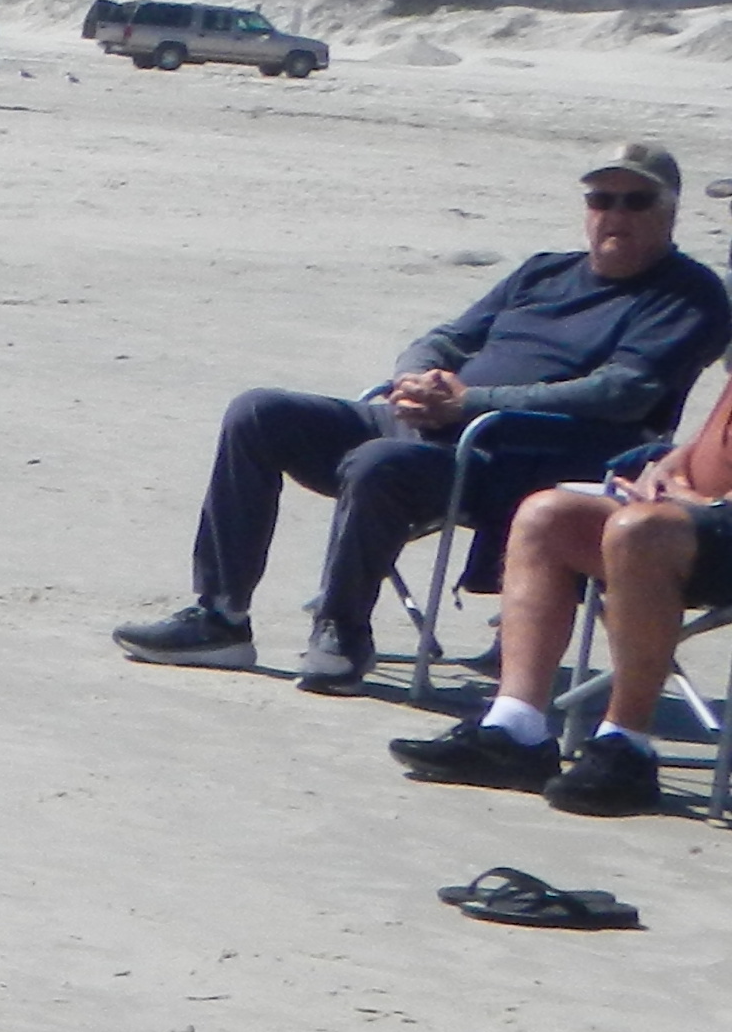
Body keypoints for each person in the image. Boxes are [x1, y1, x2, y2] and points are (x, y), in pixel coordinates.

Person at [116, 144, 727, 691]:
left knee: (380, 462)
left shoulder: (686, 295)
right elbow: (450, 337)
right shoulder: (544, 270)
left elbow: (620, 394)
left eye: (635, 200)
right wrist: (419, 375)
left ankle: (341, 633)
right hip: (433, 420)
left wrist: (470, 404)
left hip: (517, 457)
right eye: (601, 198)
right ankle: (222, 616)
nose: (614, 214)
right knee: (259, 412)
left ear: (669, 210)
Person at [392, 366, 732, 815]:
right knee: (545, 515)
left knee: (638, 531)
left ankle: (625, 747)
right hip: (688, 523)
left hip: (703, 527)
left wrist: (704, 504)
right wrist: (666, 468)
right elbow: (711, 444)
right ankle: (516, 728)